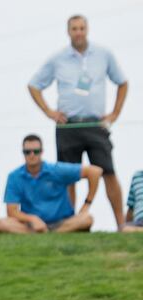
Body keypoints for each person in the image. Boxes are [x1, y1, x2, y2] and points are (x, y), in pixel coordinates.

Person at [28, 14, 128, 229]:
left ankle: (121, 225)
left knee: (108, 172)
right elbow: (34, 85)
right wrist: (48, 111)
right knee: (68, 176)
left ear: (87, 29)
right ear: (68, 31)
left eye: (82, 28)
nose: (79, 32)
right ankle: (70, 224)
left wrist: (114, 114)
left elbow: (122, 82)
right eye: (74, 28)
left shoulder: (103, 54)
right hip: (68, 125)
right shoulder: (58, 58)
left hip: (95, 125)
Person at [0, 134, 101, 234]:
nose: (32, 155)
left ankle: (48, 233)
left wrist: (87, 204)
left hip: (62, 221)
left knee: (87, 219)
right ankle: (45, 232)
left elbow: (95, 171)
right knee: (3, 223)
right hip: (32, 225)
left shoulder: (56, 170)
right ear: (23, 153)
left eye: (36, 151)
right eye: (27, 152)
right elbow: (12, 211)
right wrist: (32, 218)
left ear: (42, 152)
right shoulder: (15, 176)